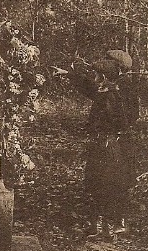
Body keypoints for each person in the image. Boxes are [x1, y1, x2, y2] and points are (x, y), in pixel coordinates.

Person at [53, 49, 138, 240]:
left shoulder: (120, 91)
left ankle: (108, 228)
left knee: (107, 184)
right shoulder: (110, 88)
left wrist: (110, 99)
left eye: (101, 74)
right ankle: (104, 226)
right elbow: (89, 87)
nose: (98, 78)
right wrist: (69, 75)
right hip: (107, 143)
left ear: (114, 71)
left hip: (112, 144)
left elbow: (126, 118)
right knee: (100, 182)